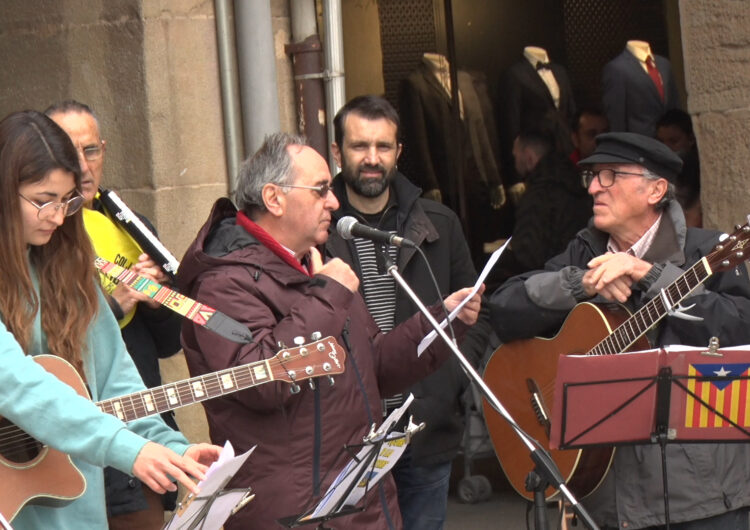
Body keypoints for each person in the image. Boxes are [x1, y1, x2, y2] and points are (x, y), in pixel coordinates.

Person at [177, 132, 482, 529]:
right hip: (291, 513)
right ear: (274, 198)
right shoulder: (222, 284)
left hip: (359, 503)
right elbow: (261, 382)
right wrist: (328, 294)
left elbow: (374, 368)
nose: (335, 201)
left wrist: (441, 322)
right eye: (321, 190)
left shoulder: (315, 265)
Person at [489, 132, 750, 529]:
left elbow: (740, 325)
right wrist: (578, 285)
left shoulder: (708, 252)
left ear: (656, 189)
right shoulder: (582, 254)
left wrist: (651, 275)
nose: (594, 187)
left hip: (703, 501)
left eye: (610, 175)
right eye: (593, 176)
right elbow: (504, 309)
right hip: (608, 505)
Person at [0, 110, 222, 529]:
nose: (58, 217)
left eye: (67, 200)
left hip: (79, 514)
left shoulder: (69, 269)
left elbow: (118, 384)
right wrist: (125, 448)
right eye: (42, 200)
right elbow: (17, 384)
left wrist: (172, 449)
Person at [325, 95, 491, 529]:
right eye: (360, 147)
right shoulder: (318, 230)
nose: (372, 159)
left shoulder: (439, 224)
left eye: (384, 147)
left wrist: (449, 377)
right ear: (337, 152)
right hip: (349, 439)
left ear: (399, 153)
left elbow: (476, 313)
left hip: (422, 430)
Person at [45, 100, 186, 528]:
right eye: (69, 154)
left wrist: (158, 302)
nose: (83, 167)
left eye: (91, 151)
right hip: (61, 445)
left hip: (137, 428)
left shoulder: (130, 225)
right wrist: (113, 305)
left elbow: (169, 344)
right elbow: (36, 355)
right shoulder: (37, 240)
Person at [488, 129, 592, 289]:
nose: (514, 161)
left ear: (529, 157)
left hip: (550, 284)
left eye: (515, 156)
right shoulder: (573, 182)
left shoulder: (538, 195)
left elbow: (528, 255)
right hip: (578, 272)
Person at [656, 108, 701, 227]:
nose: (666, 148)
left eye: (673, 141)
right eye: (661, 142)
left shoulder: (695, 171)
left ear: (691, 139)